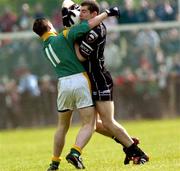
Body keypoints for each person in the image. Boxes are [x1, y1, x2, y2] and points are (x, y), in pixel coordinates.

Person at [32, 6, 120, 171]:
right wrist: (107, 13)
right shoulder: (64, 36)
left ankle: (54, 162)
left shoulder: (45, 47)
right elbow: (88, 25)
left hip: (63, 85)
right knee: (90, 124)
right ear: (50, 26)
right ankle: (75, 152)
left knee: (62, 127)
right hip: (79, 81)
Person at [62, 0, 149, 165]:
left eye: (84, 12)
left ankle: (139, 153)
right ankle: (128, 142)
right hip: (88, 80)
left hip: (99, 78)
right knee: (93, 124)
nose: (81, 14)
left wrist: (71, 38)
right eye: (80, 12)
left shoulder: (96, 30)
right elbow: (66, 3)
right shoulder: (85, 27)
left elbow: (81, 56)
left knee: (108, 121)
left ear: (94, 14)